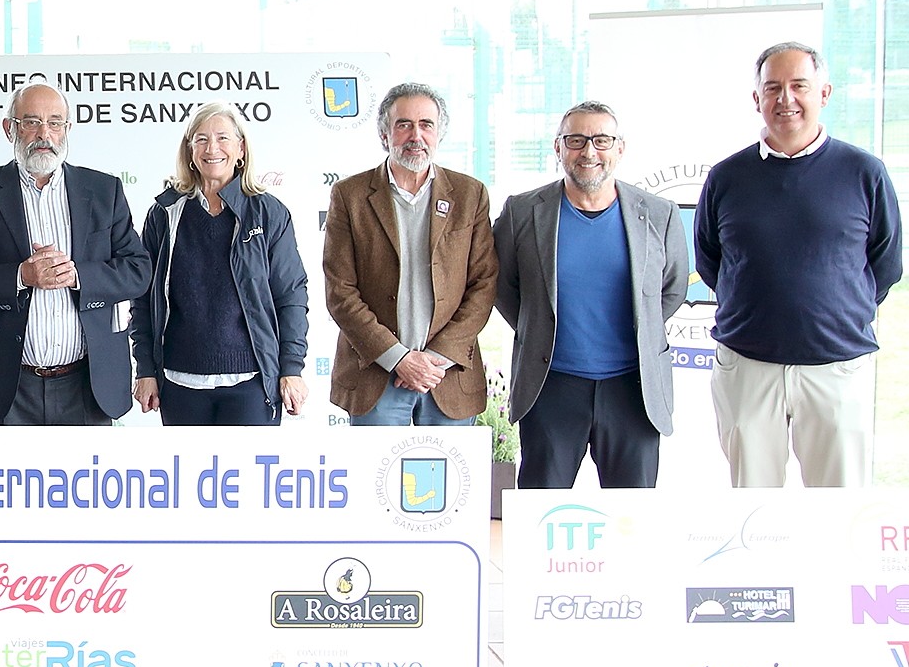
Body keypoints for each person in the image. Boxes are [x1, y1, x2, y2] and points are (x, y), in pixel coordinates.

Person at [694, 42, 903, 488]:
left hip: (836, 366)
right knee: (752, 510)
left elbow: (885, 264)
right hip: (748, 366)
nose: (785, 99)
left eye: (798, 86)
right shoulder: (726, 177)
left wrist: (833, 306)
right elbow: (712, 260)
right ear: (757, 100)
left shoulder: (865, 172)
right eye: (772, 88)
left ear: (823, 93)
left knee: (838, 508)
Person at [494, 101, 688, 487]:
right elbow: (504, 288)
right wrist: (541, 329)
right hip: (551, 386)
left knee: (632, 521)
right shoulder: (522, 212)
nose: (589, 152)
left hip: (634, 390)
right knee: (541, 513)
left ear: (619, 148)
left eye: (601, 140)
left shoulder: (659, 213)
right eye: (577, 140)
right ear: (558, 148)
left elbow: (672, 288)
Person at [0, 80, 150, 425]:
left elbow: (138, 270)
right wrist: (20, 276)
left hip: (87, 384)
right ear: (10, 128)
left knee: (88, 480)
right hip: (7, 386)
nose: (44, 133)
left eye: (55, 122)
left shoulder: (103, 189)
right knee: (1, 481)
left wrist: (78, 275)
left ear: (67, 129)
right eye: (32, 122)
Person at [322, 81, 496, 425]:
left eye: (426, 125)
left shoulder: (469, 194)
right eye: (404, 125)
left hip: (446, 376)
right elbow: (339, 290)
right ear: (384, 135)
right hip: (376, 375)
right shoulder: (349, 196)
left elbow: (484, 284)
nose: (416, 135)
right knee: (373, 480)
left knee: (450, 480)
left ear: (439, 134)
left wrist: (434, 359)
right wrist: (399, 358)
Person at [129, 102, 308, 425]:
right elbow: (142, 299)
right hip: (179, 381)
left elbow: (290, 295)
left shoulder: (268, 213)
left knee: (249, 476)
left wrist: (291, 368)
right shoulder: (164, 213)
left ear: (241, 148)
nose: (212, 149)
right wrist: (145, 369)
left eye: (223, 138)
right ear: (190, 150)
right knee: (187, 476)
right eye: (201, 139)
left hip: (251, 382)